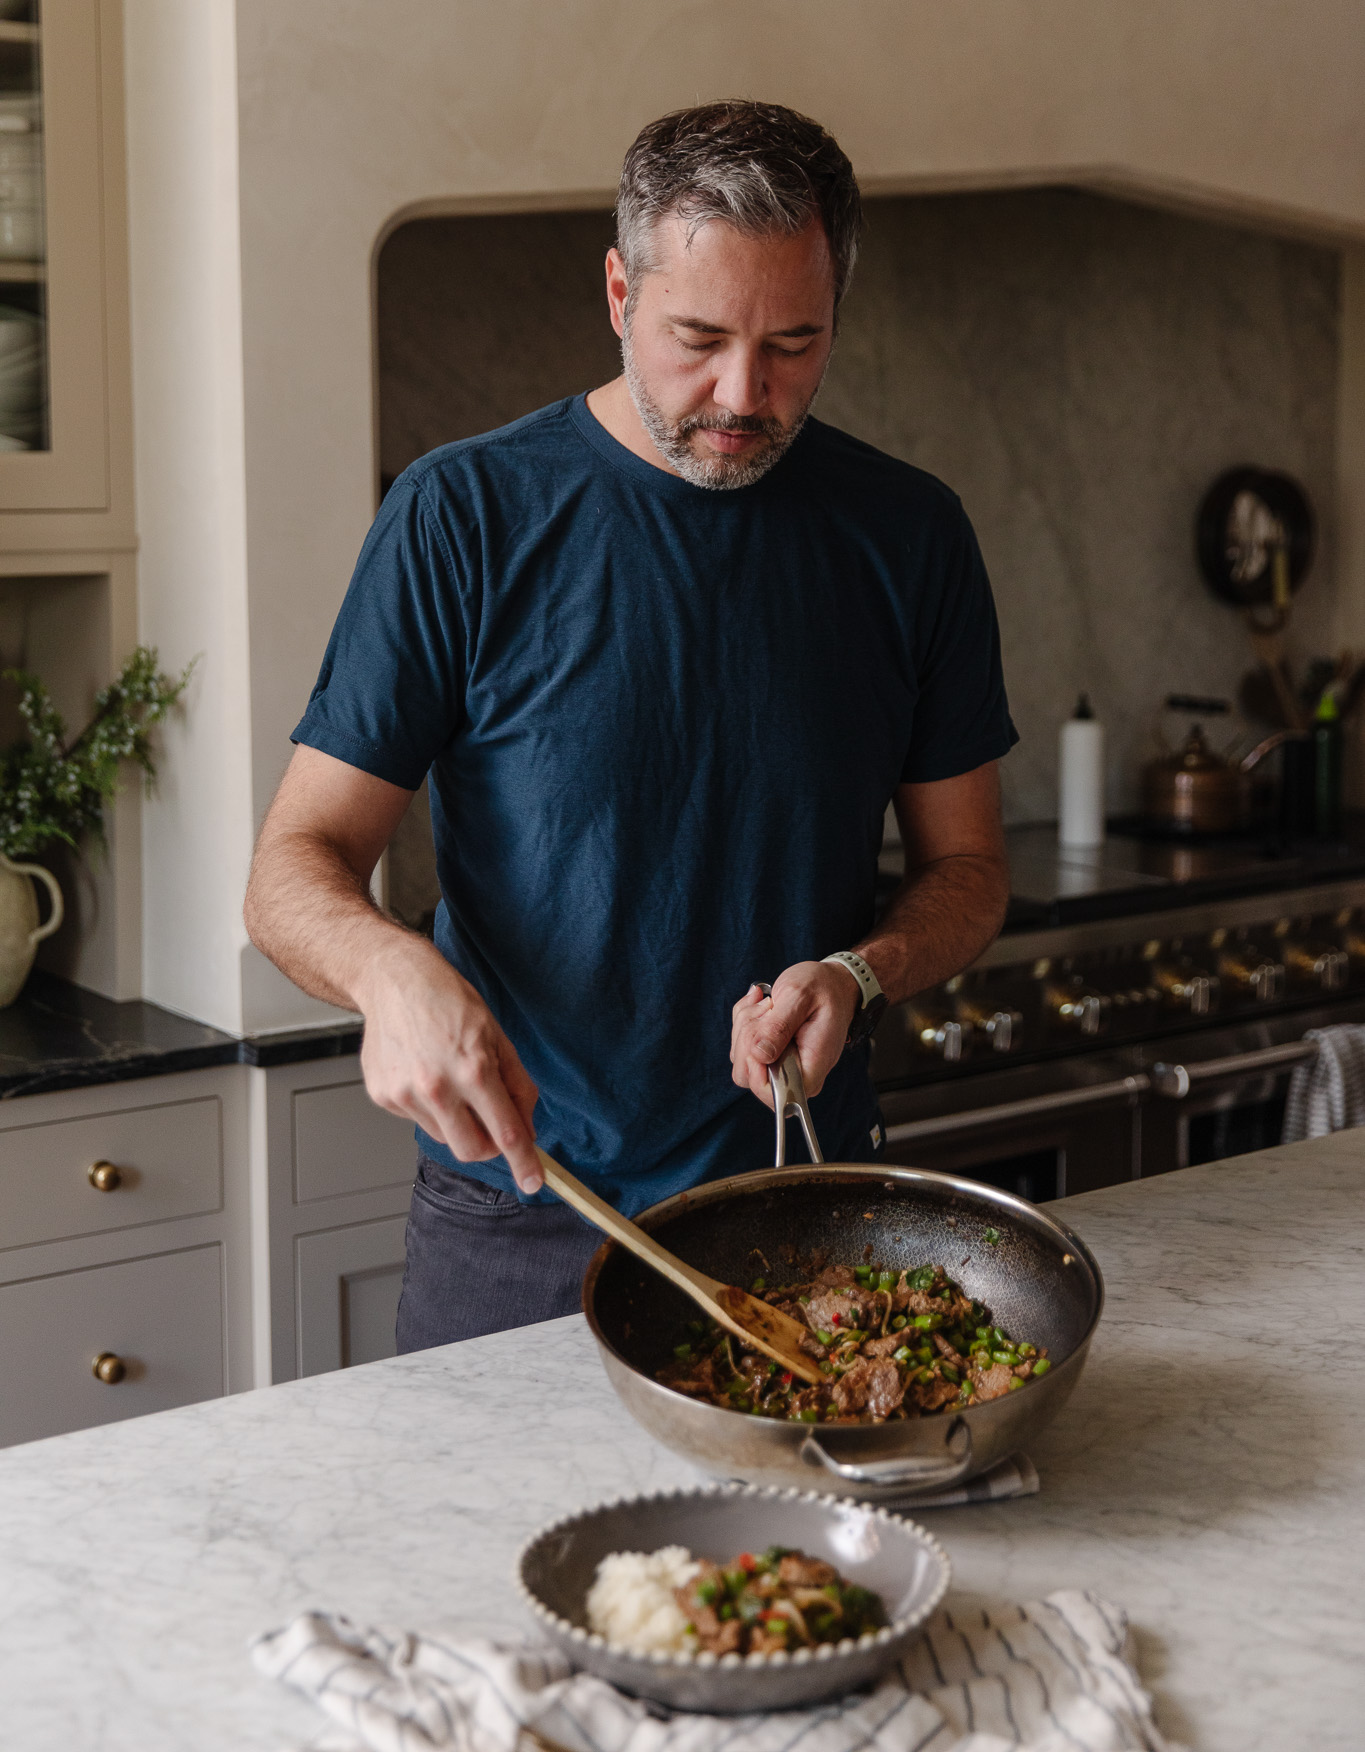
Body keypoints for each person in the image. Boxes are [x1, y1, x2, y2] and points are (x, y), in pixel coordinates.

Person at [244, 99, 1017, 1352]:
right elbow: (292, 867)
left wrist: (862, 970)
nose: (741, 393)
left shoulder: (911, 536)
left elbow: (970, 870)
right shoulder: (464, 515)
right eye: (697, 337)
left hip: (803, 1194)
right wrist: (390, 969)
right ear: (618, 291)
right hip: (528, 1208)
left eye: (794, 344)